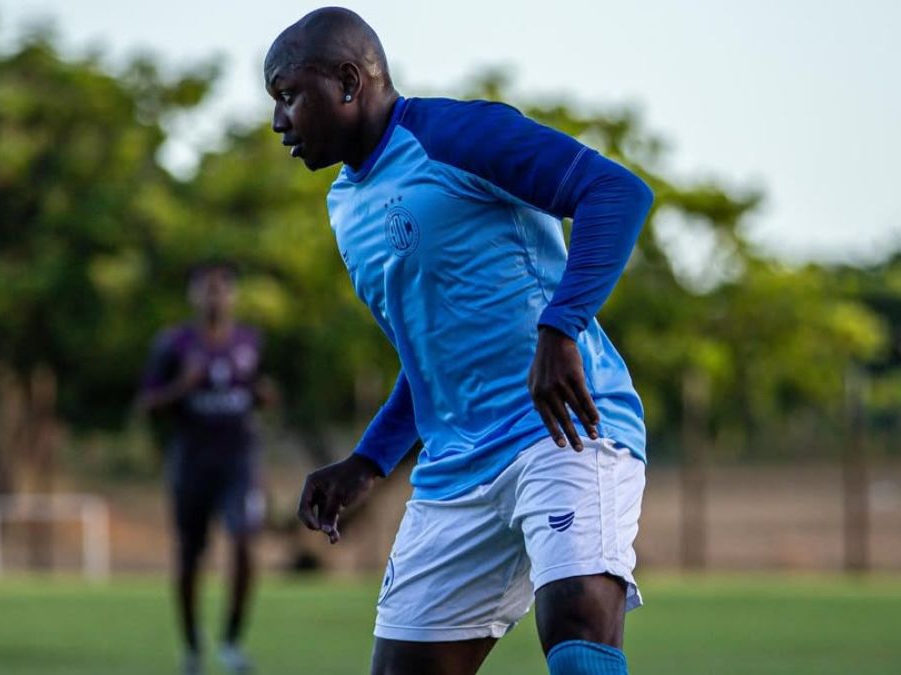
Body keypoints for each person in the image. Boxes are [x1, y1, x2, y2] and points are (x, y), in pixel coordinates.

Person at [265, 8, 654, 675]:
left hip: (563, 430)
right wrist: (367, 460)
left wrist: (562, 326)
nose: (279, 122)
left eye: (289, 96)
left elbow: (615, 191)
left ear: (350, 82)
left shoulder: (458, 134)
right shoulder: (345, 206)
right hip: (454, 469)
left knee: (578, 625)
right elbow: (431, 360)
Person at [138, 262, 268, 675]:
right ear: (193, 296)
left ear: (233, 295)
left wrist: (264, 396)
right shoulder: (174, 344)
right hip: (192, 463)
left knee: (245, 542)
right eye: (206, 290)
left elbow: (255, 391)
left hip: (238, 462)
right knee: (191, 556)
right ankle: (192, 645)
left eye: (222, 289)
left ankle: (231, 642)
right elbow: (147, 404)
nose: (215, 297)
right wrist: (182, 386)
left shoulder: (250, 340)